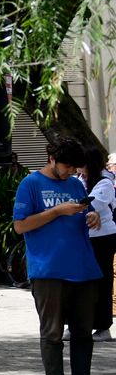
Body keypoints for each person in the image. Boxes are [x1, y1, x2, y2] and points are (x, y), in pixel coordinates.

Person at [13, 137, 112, 375]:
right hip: (48, 270)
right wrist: (56, 211)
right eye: (67, 166)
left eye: (75, 167)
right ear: (52, 159)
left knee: (82, 333)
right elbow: (20, 226)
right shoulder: (30, 184)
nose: (72, 172)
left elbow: (87, 214)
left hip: (83, 268)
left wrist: (94, 217)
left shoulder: (74, 185)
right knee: (52, 333)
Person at [82, 146, 116, 342]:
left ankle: (103, 326)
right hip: (83, 237)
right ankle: (76, 323)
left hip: (102, 237)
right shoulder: (79, 180)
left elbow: (90, 204)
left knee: (102, 281)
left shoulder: (104, 183)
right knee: (79, 281)